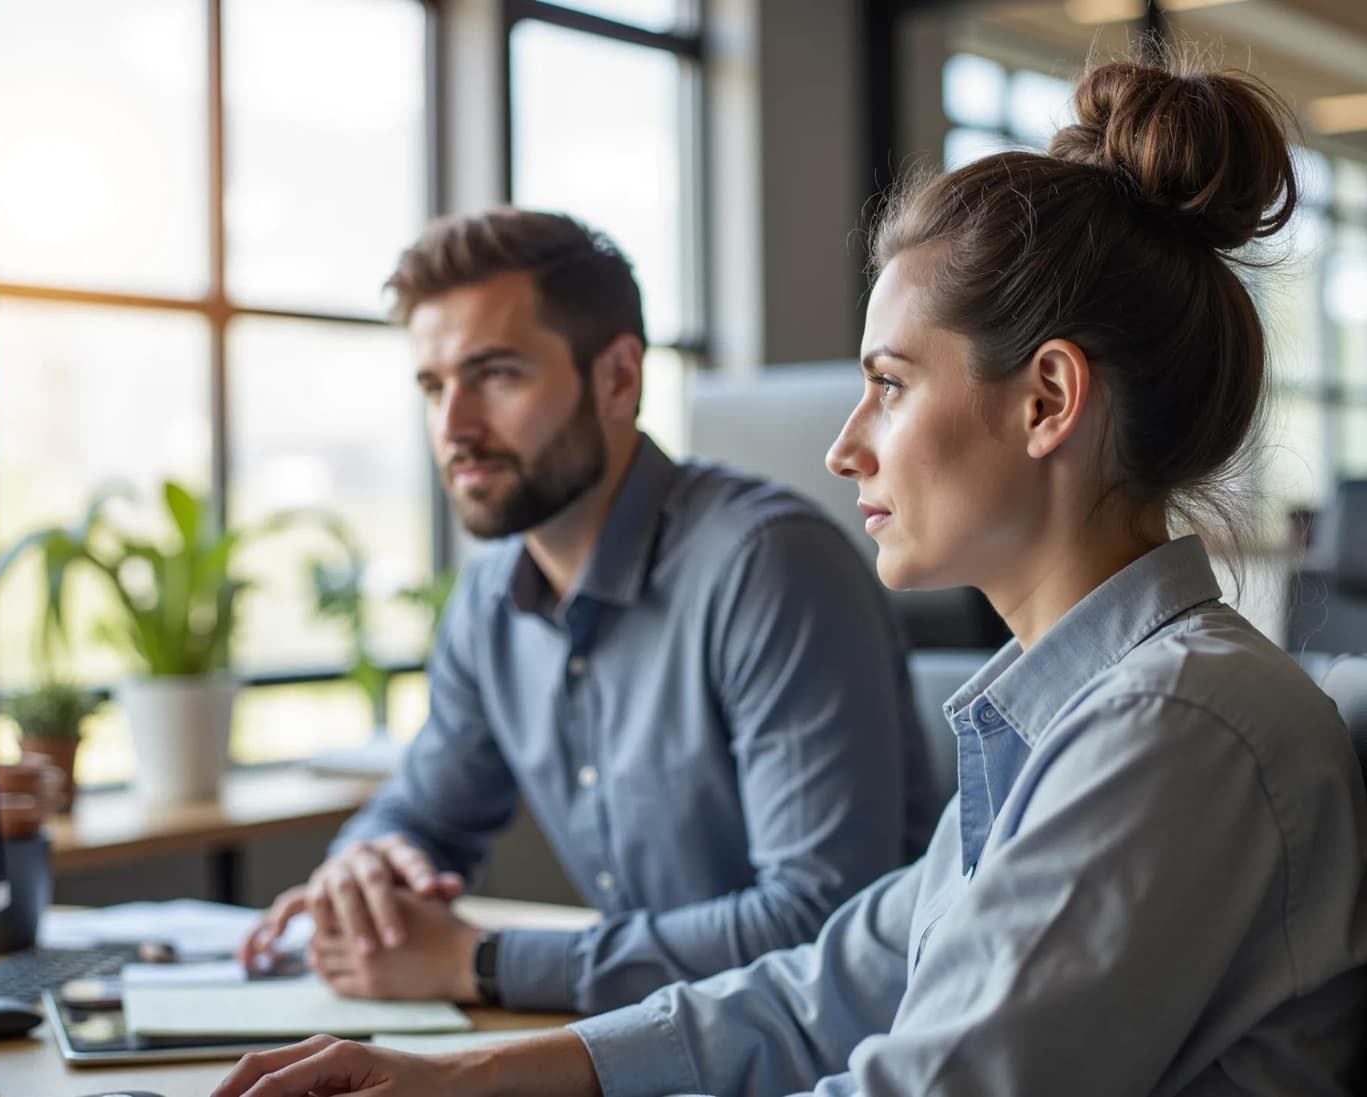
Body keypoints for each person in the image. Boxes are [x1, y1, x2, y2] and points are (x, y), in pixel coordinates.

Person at [212, 58, 1367, 1097]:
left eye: (889, 382)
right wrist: (474, 1074)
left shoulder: (1169, 728)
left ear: (1047, 401)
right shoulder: (1063, 705)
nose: (847, 446)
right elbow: (820, 988)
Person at [237, 207, 938, 1017]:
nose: (453, 426)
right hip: (657, 1048)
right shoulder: (492, 599)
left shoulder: (770, 567)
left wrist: (483, 960)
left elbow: (820, 923)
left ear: (618, 379)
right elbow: (424, 809)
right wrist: (363, 864)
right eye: (434, 386)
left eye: (496, 374)